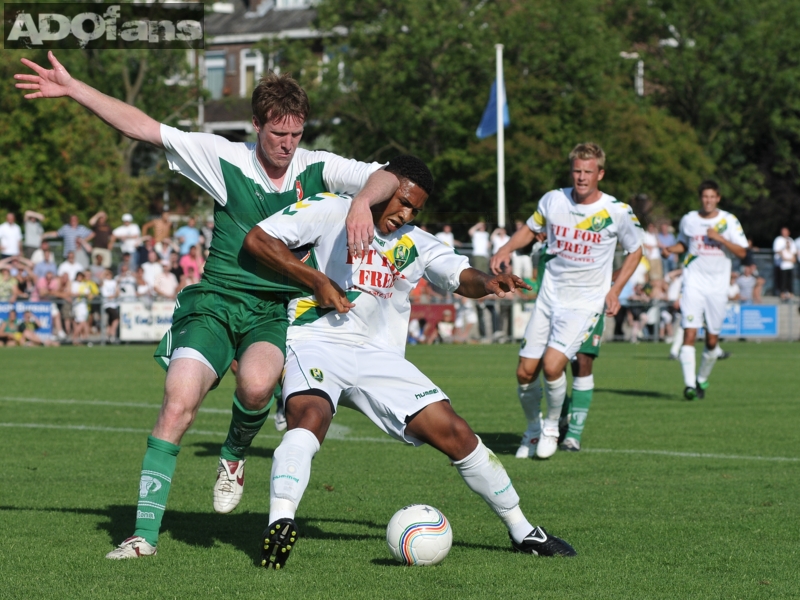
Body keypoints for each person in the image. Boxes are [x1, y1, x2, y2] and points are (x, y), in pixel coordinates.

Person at [16, 51, 400, 559]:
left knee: (259, 386)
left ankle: (234, 455)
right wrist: (76, 89)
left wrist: (358, 200)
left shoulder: (319, 167)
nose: (287, 146)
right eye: (277, 134)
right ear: (257, 125)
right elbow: (145, 129)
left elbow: (390, 175)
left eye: (296, 135)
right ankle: (142, 537)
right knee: (178, 402)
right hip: (214, 303)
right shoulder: (223, 156)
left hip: (271, 310)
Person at [241, 155, 574, 569]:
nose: (407, 213)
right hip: (315, 340)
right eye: (402, 201)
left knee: (456, 432)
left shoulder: (417, 241)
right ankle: (281, 521)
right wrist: (317, 280)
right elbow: (257, 240)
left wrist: (487, 282)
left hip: (379, 357)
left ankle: (523, 530)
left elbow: (459, 274)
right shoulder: (331, 208)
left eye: (416, 208)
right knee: (309, 416)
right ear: (381, 188)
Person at [491, 143, 643, 456]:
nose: (581, 177)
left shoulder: (617, 211)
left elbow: (635, 250)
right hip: (548, 299)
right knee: (524, 372)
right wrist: (506, 248)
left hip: (585, 303)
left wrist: (615, 289)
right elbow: (531, 230)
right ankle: (532, 431)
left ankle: (551, 428)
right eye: (577, 171)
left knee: (553, 365)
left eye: (588, 172)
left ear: (600, 173)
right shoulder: (553, 199)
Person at [662, 180, 747, 399]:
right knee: (689, 332)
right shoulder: (689, 219)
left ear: (718, 198)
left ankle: (701, 378)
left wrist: (720, 239)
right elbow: (684, 244)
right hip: (694, 283)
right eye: (704, 196)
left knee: (711, 341)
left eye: (712, 197)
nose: (708, 200)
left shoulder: (728, 221)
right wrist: (670, 249)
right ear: (700, 198)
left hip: (718, 286)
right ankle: (689, 385)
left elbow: (742, 252)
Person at [772, 227, 796, 300]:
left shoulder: (791, 240)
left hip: (790, 265)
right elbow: (778, 252)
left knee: (789, 280)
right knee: (782, 280)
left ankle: (790, 293)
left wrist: (791, 258)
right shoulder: (778, 240)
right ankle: (781, 293)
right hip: (781, 265)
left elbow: (794, 254)